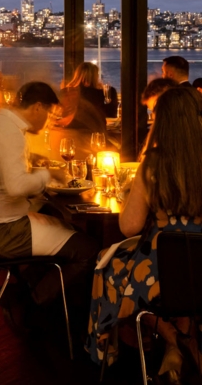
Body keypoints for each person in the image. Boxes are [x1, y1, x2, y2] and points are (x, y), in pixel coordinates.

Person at [87, 87, 202, 380]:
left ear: (162, 121)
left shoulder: (153, 165)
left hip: (155, 273)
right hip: (199, 272)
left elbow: (129, 227)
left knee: (107, 265)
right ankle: (181, 343)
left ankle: (166, 336)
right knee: (185, 282)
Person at [0, 81, 98, 310]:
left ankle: (29, 293)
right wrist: (49, 175)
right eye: (49, 114)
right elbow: (16, 186)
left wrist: (37, 169)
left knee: (70, 229)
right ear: (38, 107)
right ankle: (31, 303)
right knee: (89, 249)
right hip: (6, 232)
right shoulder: (9, 132)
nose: (49, 121)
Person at [58, 62, 107, 134]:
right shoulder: (98, 93)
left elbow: (62, 113)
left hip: (69, 133)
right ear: (94, 77)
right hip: (94, 133)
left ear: (77, 75)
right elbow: (105, 115)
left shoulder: (67, 92)